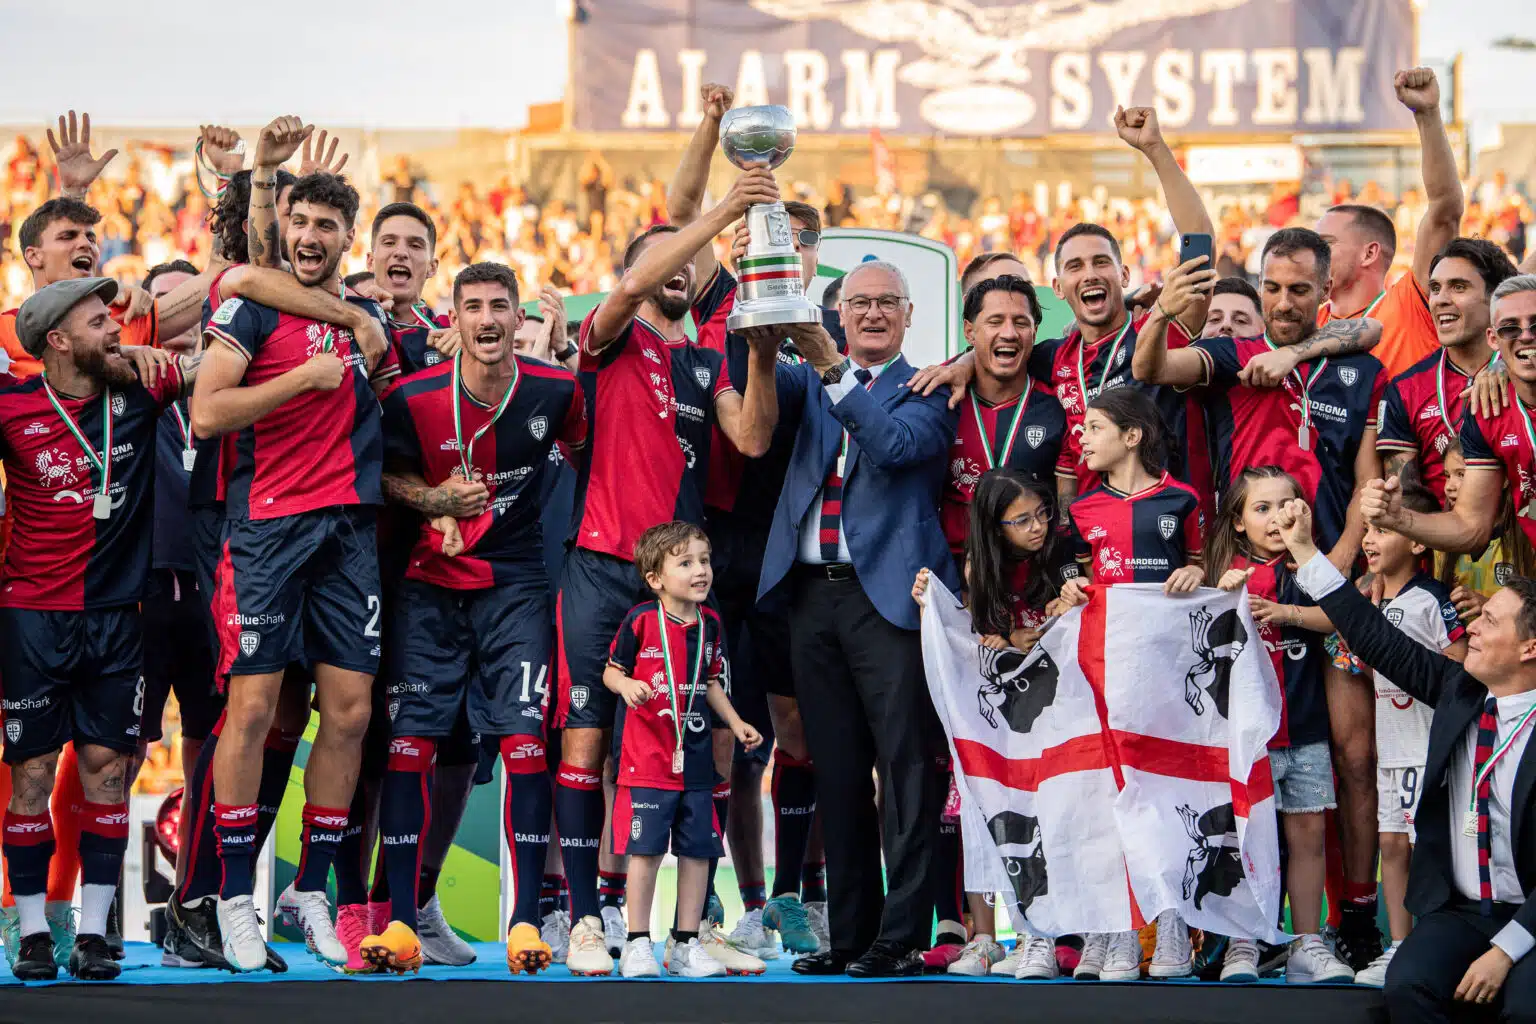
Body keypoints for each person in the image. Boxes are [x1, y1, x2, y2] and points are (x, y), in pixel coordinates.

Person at [551, 163, 780, 976]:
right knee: (586, 748)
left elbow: (750, 438)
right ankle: (585, 920)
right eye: (666, 259)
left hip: (676, 584)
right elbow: (639, 277)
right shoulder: (610, 335)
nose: (683, 270)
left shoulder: (703, 360)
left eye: (694, 261)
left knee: (691, 754)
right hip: (602, 569)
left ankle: (691, 929)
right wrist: (721, 210)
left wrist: (762, 346)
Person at [1142, 228, 1390, 969]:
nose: (1283, 303)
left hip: (1334, 577)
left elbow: (1366, 488)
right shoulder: (1230, 360)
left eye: (1298, 290)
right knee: (1244, 763)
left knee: (1347, 758)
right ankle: (1243, 929)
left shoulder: (1357, 367)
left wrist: (1332, 574)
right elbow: (1153, 363)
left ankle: (1351, 918)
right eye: (1271, 288)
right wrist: (1163, 314)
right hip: (1244, 581)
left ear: (1324, 292)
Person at [190, 171, 396, 972]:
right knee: (252, 710)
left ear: (351, 237)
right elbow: (207, 413)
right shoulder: (251, 309)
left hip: (348, 537)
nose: (312, 237)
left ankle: (309, 887)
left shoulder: (371, 321)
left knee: (348, 713)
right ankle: (235, 897)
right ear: (283, 225)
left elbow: (389, 403)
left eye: (327, 225)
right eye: (299, 221)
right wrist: (296, 382)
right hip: (266, 534)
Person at [367, 262, 586, 974]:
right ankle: (400, 923)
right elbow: (388, 476)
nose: (487, 320)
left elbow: (584, 454)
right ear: (453, 318)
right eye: (473, 307)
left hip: (516, 587)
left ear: (518, 315)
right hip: (429, 588)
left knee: (525, 744)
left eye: (499, 306)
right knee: (410, 749)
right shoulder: (414, 395)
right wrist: (434, 501)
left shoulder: (557, 391)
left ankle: (525, 924)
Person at [757, 259, 957, 977]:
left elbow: (893, 445)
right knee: (835, 770)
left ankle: (902, 938)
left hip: (893, 600)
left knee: (905, 771)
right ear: (838, 313)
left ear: (908, 315)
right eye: (858, 302)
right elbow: (751, 375)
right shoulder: (805, 382)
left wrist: (835, 370)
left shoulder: (930, 389)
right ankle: (850, 938)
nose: (872, 313)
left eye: (886, 304)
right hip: (812, 595)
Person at [0, 277, 193, 981]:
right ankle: (29, 935)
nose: (114, 330)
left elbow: (221, 352)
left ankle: (91, 934)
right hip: (31, 618)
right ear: (57, 341)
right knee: (32, 776)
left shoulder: (139, 394)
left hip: (117, 619)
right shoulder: (11, 406)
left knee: (107, 773)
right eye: (96, 322)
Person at [1278, 497, 1536, 1023]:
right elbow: (1375, 638)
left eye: (1489, 620)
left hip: (1531, 914)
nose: (1474, 629)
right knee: (1407, 988)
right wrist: (1305, 551)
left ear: (1530, 648)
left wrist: (1505, 953)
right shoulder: (1459, 691)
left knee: (1522, 1008)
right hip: (1462, 913)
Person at [1053, 387, 1204, 983]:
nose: (1081, 438)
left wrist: (1196, 570)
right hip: (1098, 668)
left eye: (1093, 427)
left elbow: (1205, 568)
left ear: (1133, 435)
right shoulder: (1082, 511)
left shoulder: (1183, 499)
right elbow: (1074, 578)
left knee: (1158, 793)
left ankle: (1170, 923)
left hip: (1165, 676)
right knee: (1104, 794)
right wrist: (1069, 590)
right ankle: (1110, 927)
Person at [913, 469, 1074, 980]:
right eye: (1021, 520)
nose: (1037, 526)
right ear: (992, 525)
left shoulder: (1060, 560)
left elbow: (1068, 628)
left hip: (1050, 719)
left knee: (1046, 820)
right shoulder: (977, 572)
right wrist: (931, 605)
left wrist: (1051, 621)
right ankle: (983, 939)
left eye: (1042, 513)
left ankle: (1045, 934)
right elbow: (976, 640)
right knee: (980, 815)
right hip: (995, 723)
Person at [1207, 467, 1353, 984]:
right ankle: (1245, 941)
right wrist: (1218, 594)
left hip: (1308, 727)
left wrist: (1285, 611)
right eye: (1261, 508)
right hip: (1250, 739)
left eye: (1287, 504)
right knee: (1249, 838)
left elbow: (1340, 614)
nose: (1276, 517)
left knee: (1310, 834)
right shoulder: (1224, 572)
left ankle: (1306, 944)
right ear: (1239, 522)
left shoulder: (1311, 565)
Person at [606, 522, 762, 978]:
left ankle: (686, 944)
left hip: (694, 763)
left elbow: (711, 682)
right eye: (686, 562)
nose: (701, 571)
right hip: (647, 762)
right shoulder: (639, 621)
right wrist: (628, 684)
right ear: (655, 578)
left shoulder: (710, 624)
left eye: (705, 560)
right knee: (647, 852)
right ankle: (637, 943)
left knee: (699, 852)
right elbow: (610, 672)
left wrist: (735, 722)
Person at [1353, 486, 1469, 987]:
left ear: (1418, 542)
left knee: (1426, 849)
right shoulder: (1372, 601)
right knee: (1391, 845)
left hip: (1429, 752)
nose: (1369, 540)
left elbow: (1461, 667)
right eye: (1367, 531)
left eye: (1381, 529)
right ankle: (1398, 948)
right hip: (1390, 751)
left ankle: (1428, 946)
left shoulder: (1432, 599)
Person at [1363, 276, 1536, 559]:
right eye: (1510, 328)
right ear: (1493, 339)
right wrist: (1398, 518)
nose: (1526, 335)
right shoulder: (1486, 411)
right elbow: (1470, 527)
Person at [1316, 68, 1462, 379]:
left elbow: (1444, 210)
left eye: (1326, 244)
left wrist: (1427, 114)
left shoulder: (1411, 304)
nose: (1313, 255)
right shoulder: (1305, 321)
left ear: (1369, 253)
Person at [1377, 239, 1519, 502]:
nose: (1440, 300)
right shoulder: (1405, 390)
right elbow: (1406, 498)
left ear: (1497, 298)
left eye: (1458, 287)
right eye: (1435, 288)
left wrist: (1508, 368)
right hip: (1440, 537)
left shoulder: (1524, 375)